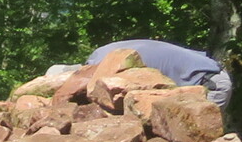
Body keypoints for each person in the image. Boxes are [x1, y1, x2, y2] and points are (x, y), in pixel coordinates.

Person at [85, 38, 231, 107]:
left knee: (197, 137)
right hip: (205, 73)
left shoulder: (109, 62)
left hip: (210, 83)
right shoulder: (109, 51)